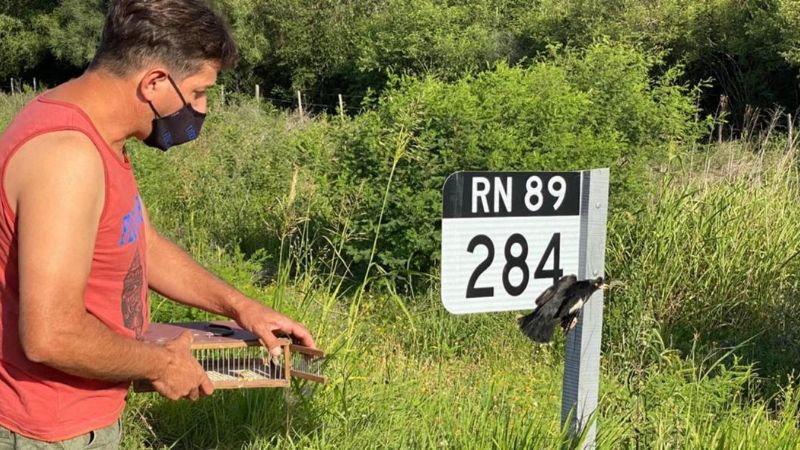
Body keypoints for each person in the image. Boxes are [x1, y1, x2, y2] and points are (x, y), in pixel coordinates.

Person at [0, 0, 316, 447]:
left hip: (78, 417)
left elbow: (140, 242)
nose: (201, 108)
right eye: (199, 91)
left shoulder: (101, 136)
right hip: (44, 429)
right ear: (153, 82)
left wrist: (241, 307)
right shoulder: (67, 157)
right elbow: (52, 334)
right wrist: (160, 364)